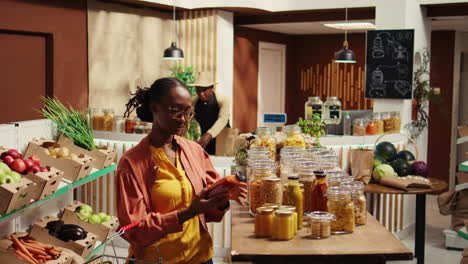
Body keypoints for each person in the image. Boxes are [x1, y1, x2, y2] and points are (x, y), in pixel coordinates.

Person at [117, 77, 247, 264]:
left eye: (188, 112)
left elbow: (209, 213)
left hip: (201, 257)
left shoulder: (195, 151)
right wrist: (188, 212)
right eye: (175, 111)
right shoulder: (131, 163)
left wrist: (221, 199)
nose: (184, 119)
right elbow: (135, 230)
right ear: (154, 108)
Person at [191, 72, 230, 155]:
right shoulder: (193, 102)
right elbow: (192, 121)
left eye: (204, 90)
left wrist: (209, 134)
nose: (201, 94)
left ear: (212, 88)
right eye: (198, 90)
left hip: (221, 138)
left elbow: (223, 119)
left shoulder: (223, 100)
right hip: (203, 142)